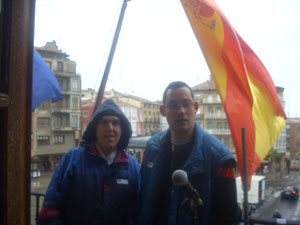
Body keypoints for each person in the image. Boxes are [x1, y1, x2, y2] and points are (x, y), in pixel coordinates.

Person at [138, 81, 241, 225]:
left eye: (186, 104)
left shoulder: (219, 158)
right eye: (173, 105)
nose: (181, 111)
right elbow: (143, 199)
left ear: (195, 107)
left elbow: (227, 218)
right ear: (162, 110)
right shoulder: (152, 148)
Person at [38, 99, 141, 225]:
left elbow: (138, 212)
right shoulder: (73, 160)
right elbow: (50, 209)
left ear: (122, 128)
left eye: (115, 123)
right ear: (94, 128)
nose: (110, 128)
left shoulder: (132, 167)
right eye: (103, 122)